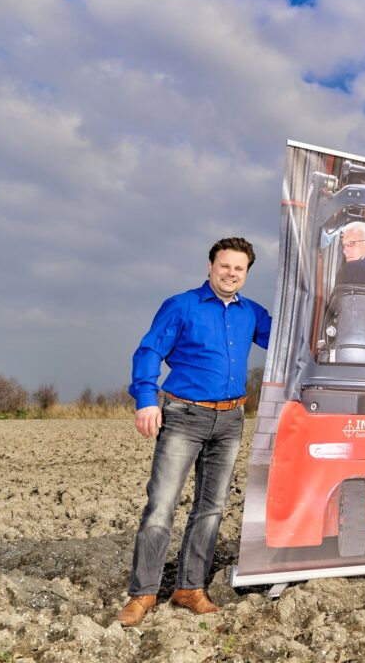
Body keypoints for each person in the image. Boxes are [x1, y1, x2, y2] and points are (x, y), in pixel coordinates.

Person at [118, 237, 271, 628]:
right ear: (210, 266)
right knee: (161, 506)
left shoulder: (251, 313)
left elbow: (287, 340)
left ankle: (190, 588)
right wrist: (146, 399)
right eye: (225, 266)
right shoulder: (181, 305)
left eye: (239, 268)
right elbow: (149, 351)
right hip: (184, 415)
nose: (231, 273)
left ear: (246, 273)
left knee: (212, 508)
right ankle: (143, 594)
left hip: (231, 419)